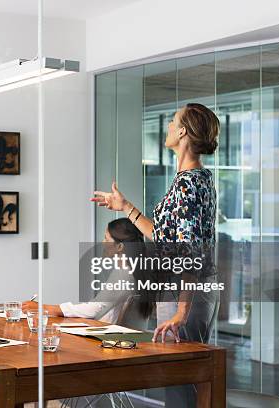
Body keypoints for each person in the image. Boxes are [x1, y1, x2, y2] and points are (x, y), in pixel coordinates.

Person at [92, 103, 219, 408]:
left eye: (173, 122)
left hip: (184, 291)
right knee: (177, 380)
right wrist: (124, 206)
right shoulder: (195, 178)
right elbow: (162, 235)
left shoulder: (189, 184)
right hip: (181, 289)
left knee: (181, 384)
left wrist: (181, 310)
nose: (168, 127)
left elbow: (188, 251)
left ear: (183, 132)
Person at [23, 218, 147, 323]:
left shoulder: (125, 275)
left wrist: (44, 308)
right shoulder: (130, 270)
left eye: (106, 239)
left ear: (120, 247)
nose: (103, 243)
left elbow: (96, 308)